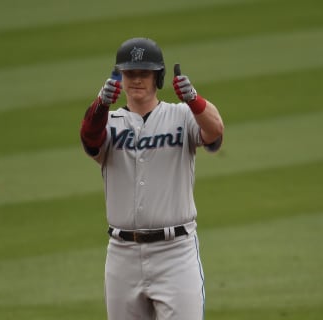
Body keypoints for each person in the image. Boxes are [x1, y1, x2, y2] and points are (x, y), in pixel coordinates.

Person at [79, 37, 224, 320]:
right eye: (130, 72)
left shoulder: (181, 116)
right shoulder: (108, 122)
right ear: (119, 77)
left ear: (157, 76)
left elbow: (214, 133)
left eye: (143, 73)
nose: (136, 79)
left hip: (176, 252)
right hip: (123, 255)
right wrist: (100, 104)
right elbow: (89, 139)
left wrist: (194, 100)